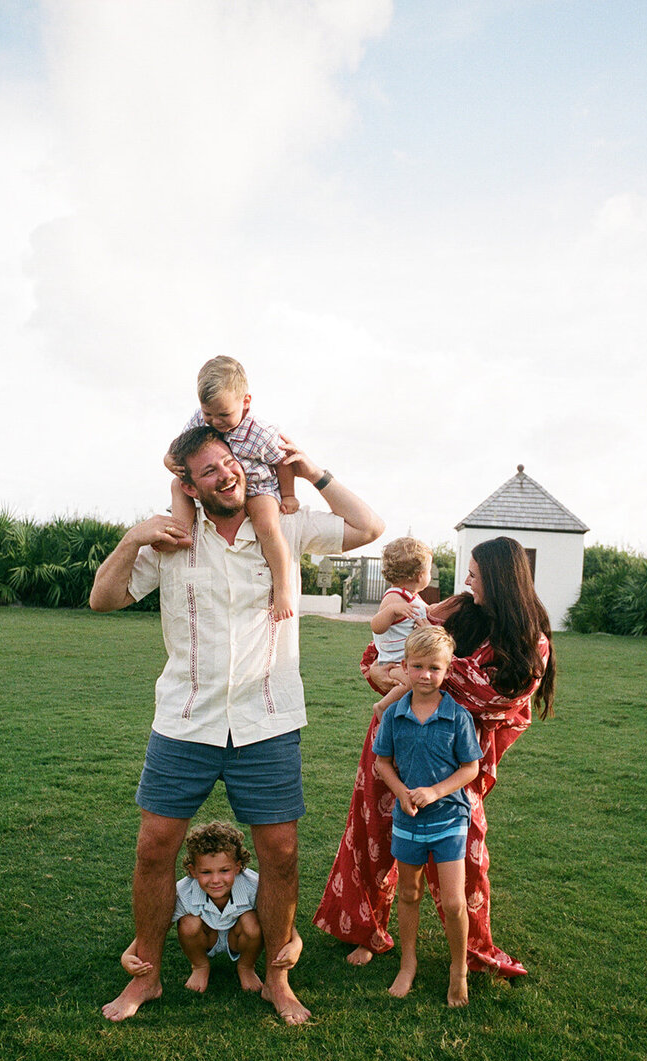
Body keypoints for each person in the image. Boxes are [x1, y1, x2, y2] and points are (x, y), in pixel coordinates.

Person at [91, 425, 384, 1023]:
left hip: (268, 719)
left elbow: (368, 528)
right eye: (208, 471)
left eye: (227, 461)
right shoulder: (173, 537)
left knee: (279, 854)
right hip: (184, 719)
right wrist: (133, 538)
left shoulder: (285, 523)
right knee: (154, 850)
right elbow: (104, 598)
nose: (225, 474)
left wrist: (313, 472)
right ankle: (145, 977)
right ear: (190, 487)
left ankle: (278, 978)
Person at [313, 536, 555, 975]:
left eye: (475, 575)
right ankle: (368, 930)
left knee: (466, 854)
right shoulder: (459, 612)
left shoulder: (528, 641)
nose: (466, 581)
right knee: (374, 834)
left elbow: (496, 698)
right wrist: (393, 670)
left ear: (499, 580)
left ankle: (474, 952)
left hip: (454, 759)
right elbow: (387, 654)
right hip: (396, 739)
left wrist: (426, 668)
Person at [372, 626, 482, 1006]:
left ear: (446, 671)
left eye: (434, 668)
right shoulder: (394, 716)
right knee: (408, 893)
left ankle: (459, 970)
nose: (424, 675)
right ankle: (407, 963)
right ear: (404, 666)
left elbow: (470, 769)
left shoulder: (458, 716)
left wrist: (435, 791)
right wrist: (401, 792)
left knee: (453, 903)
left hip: (450, 819)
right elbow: (382, 762)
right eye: (417, 667)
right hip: (408, 821)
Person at [166, 355, 300, 620]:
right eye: (209, 414)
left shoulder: (260, 431)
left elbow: (284, 460)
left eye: (224, 414)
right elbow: (180, 447)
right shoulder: (199, 420)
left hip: (258, 486)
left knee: (267, 527)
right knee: (177, 484)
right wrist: (168, 459)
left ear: (245, 402)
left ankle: (283, 587)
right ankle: (180, 532)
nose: (215, 422)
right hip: (218, 488)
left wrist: (288, 494)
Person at [120, 821, 302, 996]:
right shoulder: (183, 891)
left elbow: (278, 921)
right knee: (188, 923)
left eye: (224, 871)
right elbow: (158, 926)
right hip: (205, 936)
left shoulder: (254, 886)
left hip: (238, 938)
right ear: (193, 871)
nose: (215, 880)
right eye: (206, 872)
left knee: (252, 921)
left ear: (238, 867)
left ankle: (246, 967)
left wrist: (296, 944)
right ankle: (200, 966)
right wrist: (127, 954)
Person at [370, 537, 432, 682]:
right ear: (420, 575)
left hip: (409, 661)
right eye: (429, 570)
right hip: (394, 663)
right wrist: (391, 610)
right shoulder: (394, 598)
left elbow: (429, 612)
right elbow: (376, 627)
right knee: (411, 681)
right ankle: (382, 705)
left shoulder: (413, 597)